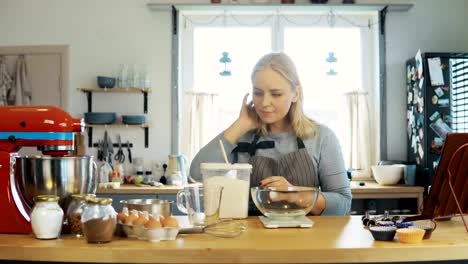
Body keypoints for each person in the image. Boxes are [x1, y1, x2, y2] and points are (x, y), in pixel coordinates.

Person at [189, 52, 351, 216]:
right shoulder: (242, 137)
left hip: (305, 239)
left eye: (276, 94)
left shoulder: (322, 138)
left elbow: (343, 203)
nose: (264, 103)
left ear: (295, 93)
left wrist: (295, 194)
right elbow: (196, 174)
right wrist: (240, 125)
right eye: (258, 93)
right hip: (250, 238)